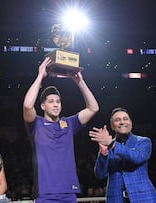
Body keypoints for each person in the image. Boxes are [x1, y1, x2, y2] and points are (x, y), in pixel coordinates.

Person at [23, 57, 99, 202]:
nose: (56, 104)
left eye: (58, 101)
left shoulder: (69, 124)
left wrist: (79, 82)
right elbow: (27, 105)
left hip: (69, 192)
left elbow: (93, 108)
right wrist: (40, 76)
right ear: (43, 106)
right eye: (51, 101)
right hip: (45, 194)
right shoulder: (36, 124)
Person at [89, 107, 156, 203]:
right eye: (117, 120)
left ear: (131, 123)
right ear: (112, 126)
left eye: (125, 119)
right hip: (116, 198)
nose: (122, 122)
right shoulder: (108, 145)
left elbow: (137, 157)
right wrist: (103, 151)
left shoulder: (143, 142)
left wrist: (112, 144)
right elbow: (100, 174)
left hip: (143, 197)